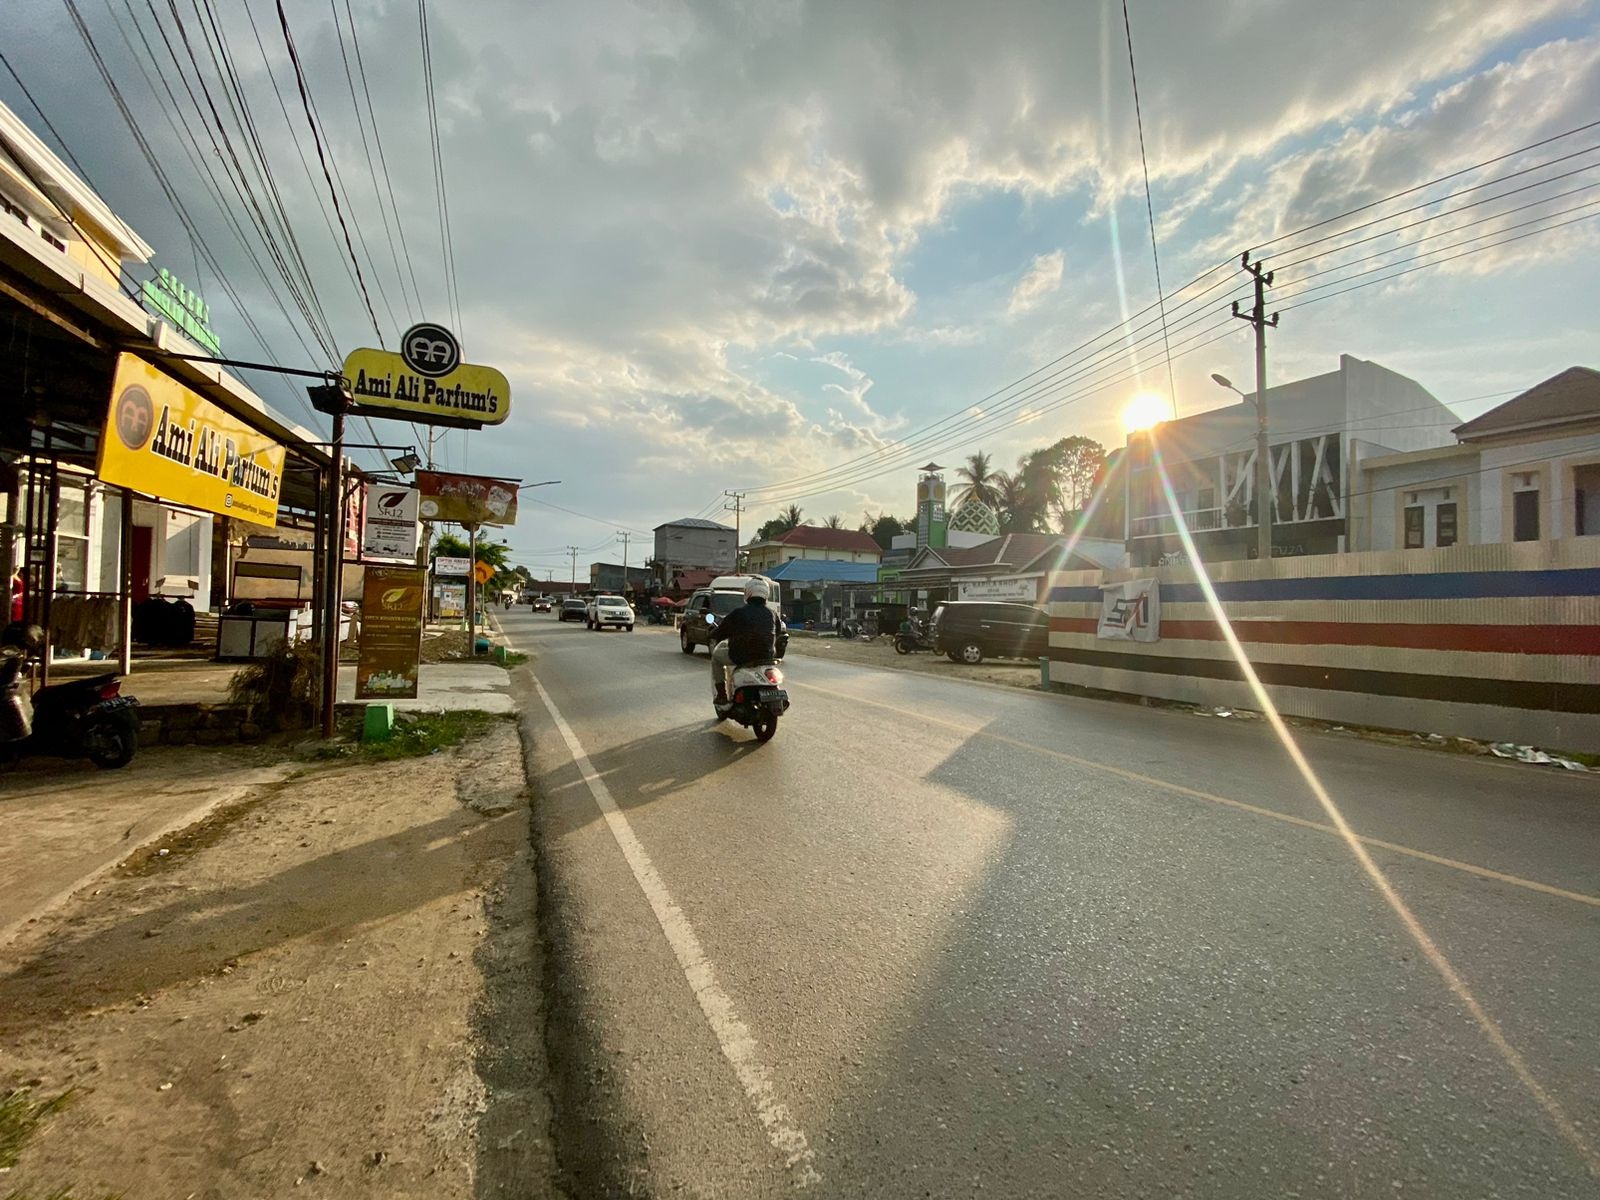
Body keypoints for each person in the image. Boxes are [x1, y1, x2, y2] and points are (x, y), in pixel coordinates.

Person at [708, 577, 783, 704]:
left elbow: (721, 631)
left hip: (741, 656)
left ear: (748, 592)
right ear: (766, 593)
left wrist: (711, 634)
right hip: (766, 656)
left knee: (716, 658)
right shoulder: (772, 614)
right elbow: (778, 632)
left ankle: (721, 695)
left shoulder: (738, 613)